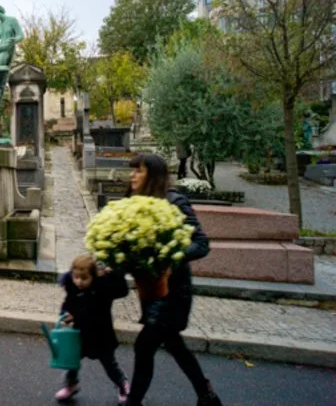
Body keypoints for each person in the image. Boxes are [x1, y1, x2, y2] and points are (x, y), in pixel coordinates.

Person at [124, 153, 222, 406]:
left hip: (173, 292)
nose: (132, 175)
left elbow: (201, 244)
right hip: (150, 290)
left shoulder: (175, 202)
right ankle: (207, 394)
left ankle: (133, 401)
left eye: (139, 171)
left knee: (144, 346)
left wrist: (168, 256)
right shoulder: (131, 204)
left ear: (153, 175)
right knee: (173, 344)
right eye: (132, 170)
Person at [55, 254, 130, 404]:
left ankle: (122, 384)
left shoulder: (103, 288)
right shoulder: (73, 288)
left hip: (101, 335)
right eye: (76, 277)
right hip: (81, 333)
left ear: (93, 276)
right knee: (72, 361)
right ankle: (71, 385)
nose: (79, 282)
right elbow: (69, 303)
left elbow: (122, 290)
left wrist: (116, 273)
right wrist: (66, 314)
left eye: (84, 278)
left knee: (110, 364)